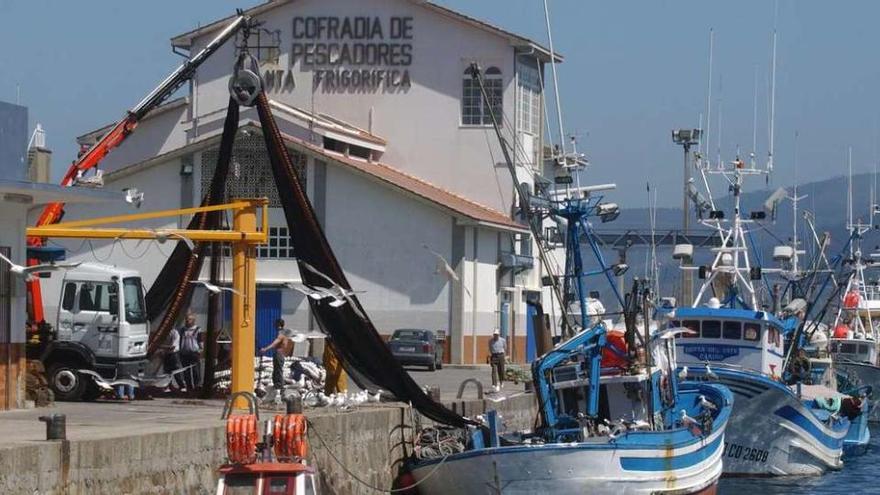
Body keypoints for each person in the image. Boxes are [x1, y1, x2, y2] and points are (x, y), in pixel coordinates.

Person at [260, 318, 295, 398]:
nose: (274, 326)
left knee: (277, 370)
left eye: (276, 325)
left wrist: (265, 349)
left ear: (279, 325)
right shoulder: (287, 334)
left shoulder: (281, 334)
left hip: (279, 354)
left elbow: (274, 344)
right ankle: (278, 386)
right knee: (278, 370)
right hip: (283, 355)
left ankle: (279, 387)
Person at [178, 313, 203, 392]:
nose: (187, 321)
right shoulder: (182, 330)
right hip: (184, 353)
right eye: (186, 319)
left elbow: (200, 340)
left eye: (189, 319)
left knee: (196, 371)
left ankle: (197, 387)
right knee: (186, 372)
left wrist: (200, 349)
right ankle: (189, 388)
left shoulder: (197, 329)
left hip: (194, 353)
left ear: (193, 320)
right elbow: (180, 341)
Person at [162, 326, 185, 391]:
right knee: (167, 371)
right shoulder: (163, 333)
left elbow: (173, 346)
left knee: (176, 370)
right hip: (166, 354)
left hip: (174, 354)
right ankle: (168, 386)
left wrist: (162, 347)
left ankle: (182, 386)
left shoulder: (175, 332)